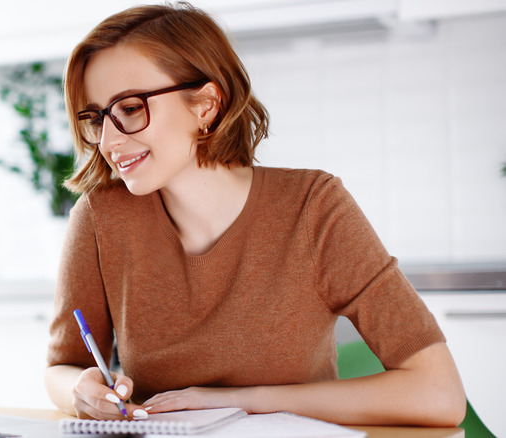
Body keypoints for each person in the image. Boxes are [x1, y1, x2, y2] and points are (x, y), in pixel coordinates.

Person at [44, 1, 466, 427]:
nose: (109, 140)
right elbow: (61, 369)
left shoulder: (313, 206)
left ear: (206, 105)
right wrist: (80, 391)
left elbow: (438, 393)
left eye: (130, 109)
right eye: (96, 118)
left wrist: (243, 400)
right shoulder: (99, 219)